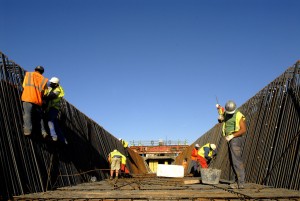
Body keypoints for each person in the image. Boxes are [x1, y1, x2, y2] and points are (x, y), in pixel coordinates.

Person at [218, 100, 247, 189]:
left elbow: (243, 130)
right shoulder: (226, 113)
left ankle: (240, 183)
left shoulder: (238, 115)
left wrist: (232, 136)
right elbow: (221, 113)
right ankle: (237, 181)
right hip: (230, 139)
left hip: (236, 139)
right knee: (232, 160)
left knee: (236, 160)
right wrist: (220, 116)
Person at [21, 66, 48, 136]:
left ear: (35, 70)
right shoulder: (44, 79)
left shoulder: (29, 74)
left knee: (27, 114)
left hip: (28, 97)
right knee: (39, 117)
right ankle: (43, 132)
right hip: (38, 100)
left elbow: (24, 85)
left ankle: (28, 130)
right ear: (42, 72)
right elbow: (45, 93)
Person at [43, 77, 66, 143]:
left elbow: (51, 96)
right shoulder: (52, 87)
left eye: (52, 83)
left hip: (54, 108)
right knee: (55, 124)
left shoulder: (57, 90)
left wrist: (43, 97)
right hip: (50, 108)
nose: (50, 83)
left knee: (50, 120)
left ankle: (54, 137)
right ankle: (62, 140)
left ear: (56, 84)